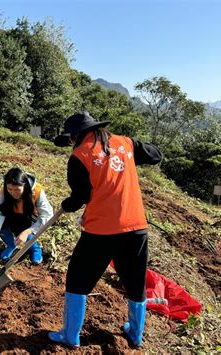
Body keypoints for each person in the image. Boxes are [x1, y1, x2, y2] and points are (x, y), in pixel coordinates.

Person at [48, 112, 163, 347]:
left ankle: (70, 335)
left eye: (71, 138)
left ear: (77, 136)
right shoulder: (126, 143)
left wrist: (69, 204)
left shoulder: (80, 155)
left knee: (78, 279)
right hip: (136, 228)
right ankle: (135, 334)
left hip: (101, 231)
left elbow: (81, 196)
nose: (71, 143)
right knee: (134, 280)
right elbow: (155, 154)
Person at [0, 167, 53, 265]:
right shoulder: (4, 192)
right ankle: (11, 245)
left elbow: (46, 216)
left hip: (29, 219)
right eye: (10, 189)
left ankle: (35, 248)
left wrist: (27, 232)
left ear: (25, 186)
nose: (13, 193)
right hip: (11, 216)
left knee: (24, 228)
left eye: (17, 189)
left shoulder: (37, 192)